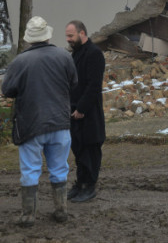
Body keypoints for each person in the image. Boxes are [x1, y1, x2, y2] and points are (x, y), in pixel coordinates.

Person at [1, 16, 77, 225]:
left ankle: (28, 215)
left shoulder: (19, 62)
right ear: (48, 35)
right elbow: (73, 83)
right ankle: (61, 211)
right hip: (60, 122)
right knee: (60, 167)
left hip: (31, 124)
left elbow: (7, 90)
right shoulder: (64, 56)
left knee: (30, 170)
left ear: (28, 38)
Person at [64, 20, 106, 203]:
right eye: (67, 36)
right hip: (75, 111)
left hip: (89, 113)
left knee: (90, 150)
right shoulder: (76, 54)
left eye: (71, 36)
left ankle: (89, 186)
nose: (68, 39)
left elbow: (93, 86)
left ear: (82, 33)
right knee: (79, 149)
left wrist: (82, 108)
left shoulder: (94, 54)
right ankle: (80, 183)